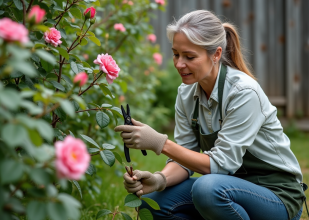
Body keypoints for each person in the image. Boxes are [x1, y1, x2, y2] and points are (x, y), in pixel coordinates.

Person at [114, 10, 307, 220]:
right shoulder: (186, 93)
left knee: (207, 189)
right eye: (176, 54)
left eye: (189, 56)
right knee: (152, 204)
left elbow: (221, 165)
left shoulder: (243, 92)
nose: (179, 64)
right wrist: (159, 180)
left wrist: (160, 143)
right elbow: (185, 157)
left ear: (215, 54)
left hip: (276, 196)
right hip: (228, 188)